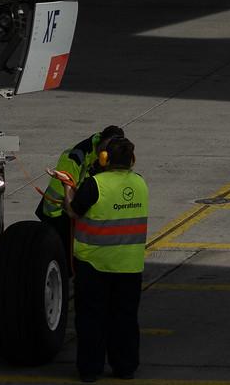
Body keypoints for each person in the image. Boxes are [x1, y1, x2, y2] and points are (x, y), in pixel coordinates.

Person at [70, 135, 147, 382]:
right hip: (129, 266)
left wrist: (68, 190)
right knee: (124, 320)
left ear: (104, 159)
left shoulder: (95, 185)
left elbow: (73, 211)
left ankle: (91, 370)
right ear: (132, 160)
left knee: (92, 319)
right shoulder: (140, 183)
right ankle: (125, 368)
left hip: (95, 264)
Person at [39, 125, 126, 258]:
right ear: (101, 140)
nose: (107, 153)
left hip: (77, 209)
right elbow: (61, 196)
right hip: (58, 214)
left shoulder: (103, 156)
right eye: (106, 149)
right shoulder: (75, 158)